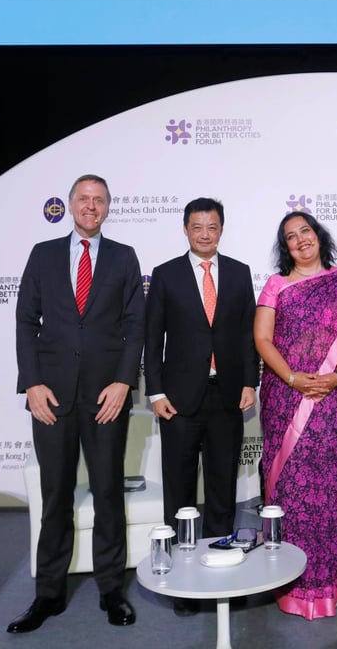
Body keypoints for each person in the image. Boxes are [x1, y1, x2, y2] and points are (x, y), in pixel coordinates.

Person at [11, 174, 143, 633]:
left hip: (107, 396)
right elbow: (26, 319)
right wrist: (32, 384)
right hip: (51, 396)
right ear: (70, 205)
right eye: (84, 199)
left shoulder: (124, 258)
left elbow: (135, 325)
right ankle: (48, 594)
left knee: (108, 493)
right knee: (55, 496)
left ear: (108, 207)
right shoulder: (43, 254)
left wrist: (124, 383)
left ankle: (112, 590)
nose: (91, 206)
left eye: (99, 200)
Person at [254, 211, 337, 620]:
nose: (301, 240)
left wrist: (336, 377)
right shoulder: (276, 285)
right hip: (285, 401)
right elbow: (262, 338)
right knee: (289, 496)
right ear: (285, 248)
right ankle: (289, 585)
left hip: (332, 406)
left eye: (305, 231)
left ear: (319, 235)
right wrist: (293, 378)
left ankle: (325, 586)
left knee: (329, 500)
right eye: (291, 236)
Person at [143, 197, 259, 617]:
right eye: (197, 226)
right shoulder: (166, 275)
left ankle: (223, 574)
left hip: (227, 395)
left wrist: (250, 381)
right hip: (178, 399)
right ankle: (182, 582)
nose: (205, 233)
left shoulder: (240, 273)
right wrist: (155, 393)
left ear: (221, 229)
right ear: (186, 229)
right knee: (179, 490)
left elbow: (248, 334)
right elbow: (152, 338)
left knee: (223, 491)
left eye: (212, 226)